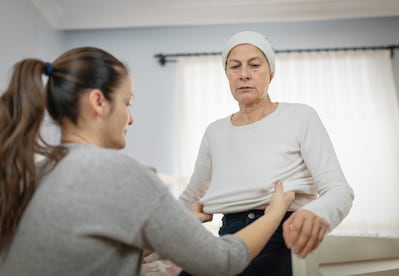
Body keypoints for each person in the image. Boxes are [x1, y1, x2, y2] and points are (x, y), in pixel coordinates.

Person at [0, 46, 295, 276]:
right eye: (127, 102)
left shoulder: (32, 172)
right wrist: (275, 212)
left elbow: (82, 251)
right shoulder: (121, 173)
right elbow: (222, 261)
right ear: (98, 102)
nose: (131, 117)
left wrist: (168, 227)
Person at [178, 31, 355, 275]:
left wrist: (317, 213)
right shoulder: (215, 132)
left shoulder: (300, 117)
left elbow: (339, 189)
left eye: (254, 65)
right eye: (234, 67)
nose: (244, 75)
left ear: (270, 73)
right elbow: (190, 199)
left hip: (283, 239)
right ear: (227, 75)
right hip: (229, 240)